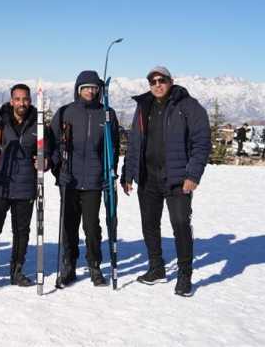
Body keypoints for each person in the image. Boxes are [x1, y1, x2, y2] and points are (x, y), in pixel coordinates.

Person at [121, 66, 211, 297]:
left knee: (180, 223)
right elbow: (135, 143)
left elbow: (202, 143)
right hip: (147, 177)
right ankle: (157, 268)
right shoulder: (143, 107)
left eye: (162, 80)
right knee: (149, 224)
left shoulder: (188, 106)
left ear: (171, 81)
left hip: (177, 178)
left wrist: (193, 175)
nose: (157, 84)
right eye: (153, 81)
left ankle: (184, 274)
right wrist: (128, 174)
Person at [50, 70, 120, 287]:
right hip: (69, 179)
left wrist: (110, 171)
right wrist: (56, 168)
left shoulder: (107, 114)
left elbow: (113, 147)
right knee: (69, 225)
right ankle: (68, 266)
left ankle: (94, 265)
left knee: (92, 226)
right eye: (85, 87)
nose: (90, 91)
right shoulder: (65, 112)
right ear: (78, 89)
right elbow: (53, 143)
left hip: (94, 180)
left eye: (93, 87)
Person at [0, 83, 49, 292]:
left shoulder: (39, 123)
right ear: (11, 101)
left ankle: (16, 270)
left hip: (25, 186)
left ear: (30, 100)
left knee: (21, 232)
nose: (22, 103)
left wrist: (45, 162)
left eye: (25, 99)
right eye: (18, 99)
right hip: (0, 185)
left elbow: (49, 151)